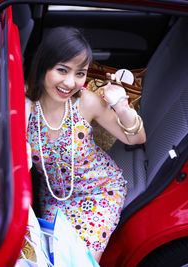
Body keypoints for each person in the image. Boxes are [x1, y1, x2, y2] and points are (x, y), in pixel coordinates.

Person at [25, 26, 146, 264]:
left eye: (80, 73)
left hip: (100, 190)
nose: (70, 82)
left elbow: (136, 138)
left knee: (78, 261)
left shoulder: (86, 102)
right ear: (43, 66)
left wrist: (121, 104)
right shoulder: (25, 102)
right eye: (62, 70)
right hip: (54, 195)